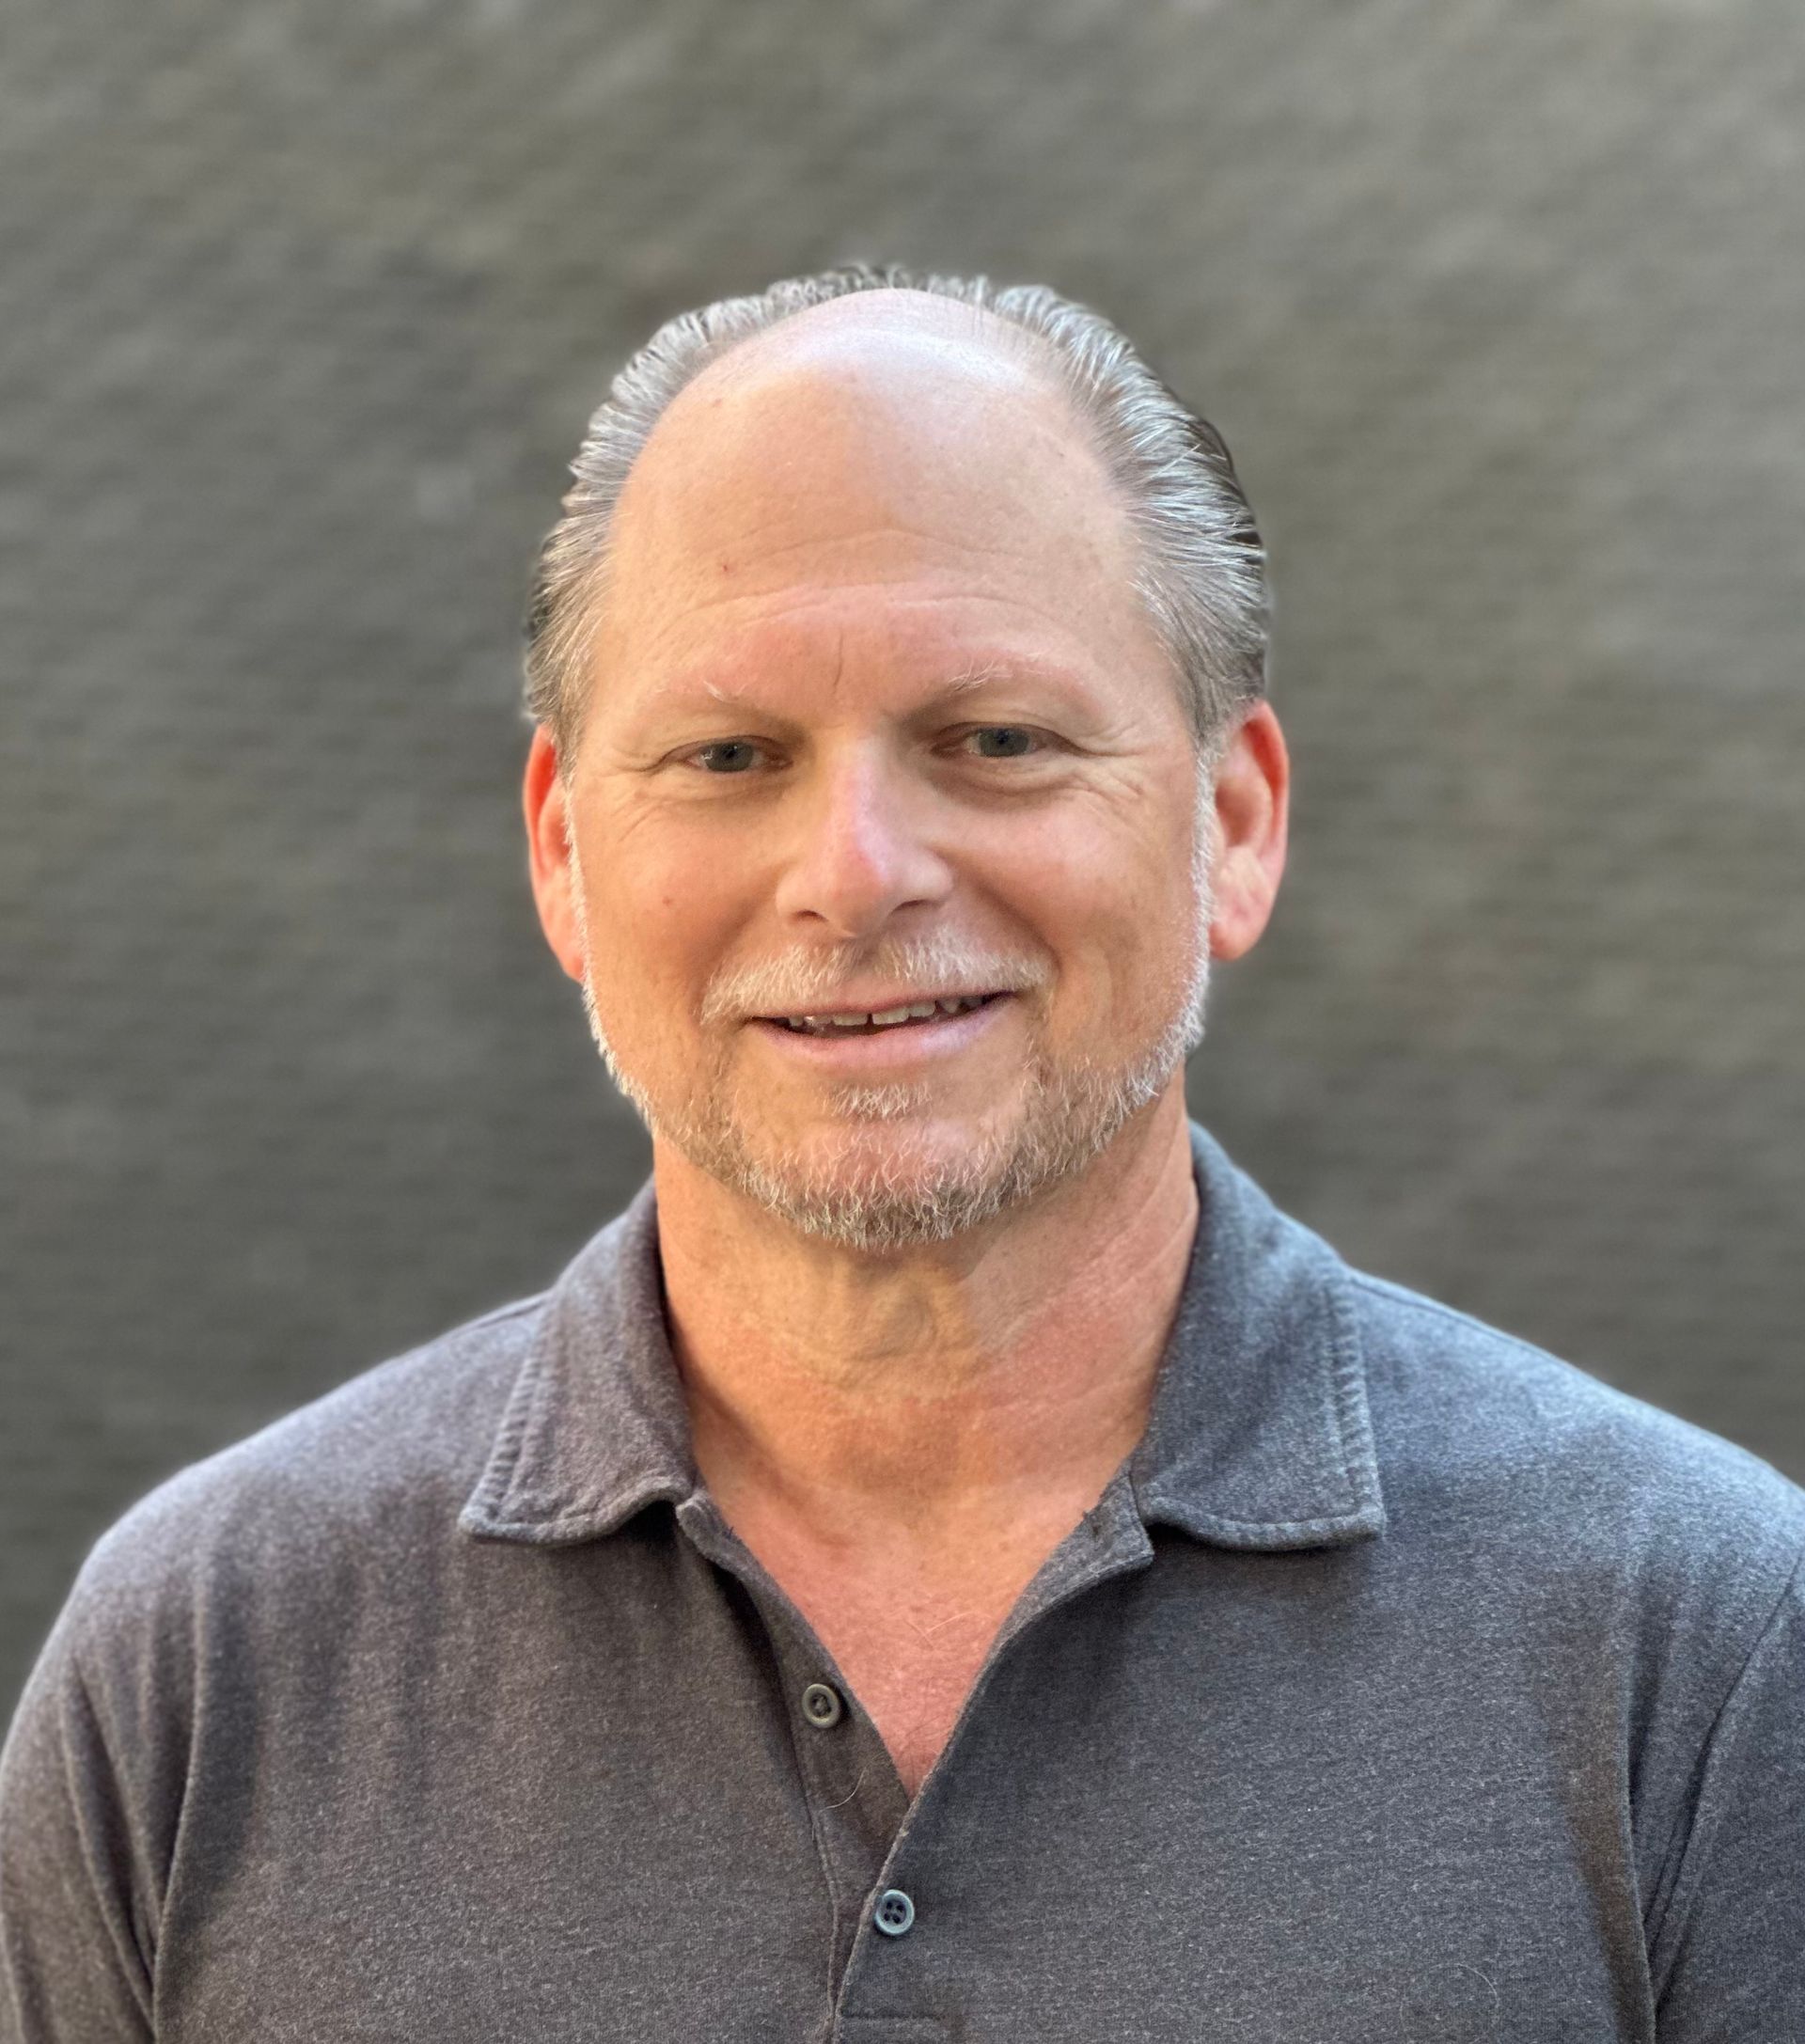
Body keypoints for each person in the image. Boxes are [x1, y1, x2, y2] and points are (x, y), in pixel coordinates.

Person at [2, 263, 1799, 2044]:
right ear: (562, 854)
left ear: (1232, 822)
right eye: (727, 753)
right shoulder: (200, 1670)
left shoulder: (1705, 1656)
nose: (856, 870)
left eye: (995, 740)